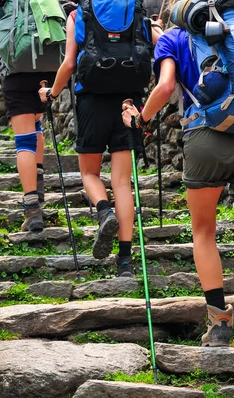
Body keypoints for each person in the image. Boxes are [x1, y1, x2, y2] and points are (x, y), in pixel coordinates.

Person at [121, 25, 234, 386]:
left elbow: (167, 87)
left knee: (204, 232)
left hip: (204, 138)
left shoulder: (174, 37)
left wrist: (141, 118)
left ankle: (219, 324)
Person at [38, 2, 156, 278]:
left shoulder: (80, 14)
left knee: (90, 172)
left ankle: (104, 211)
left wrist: (51, 95)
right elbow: (156, 45)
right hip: (129, 102)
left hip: (91, 101)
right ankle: (125, 262)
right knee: (123, 183)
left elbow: (69, 64)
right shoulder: (136, 9)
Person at [0, 2, 56, 232]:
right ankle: (38, 181)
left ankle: (32, 208)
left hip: (17, 76)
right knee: (36, 121)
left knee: (24, 140)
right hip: (50, 75)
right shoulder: (49, 2)